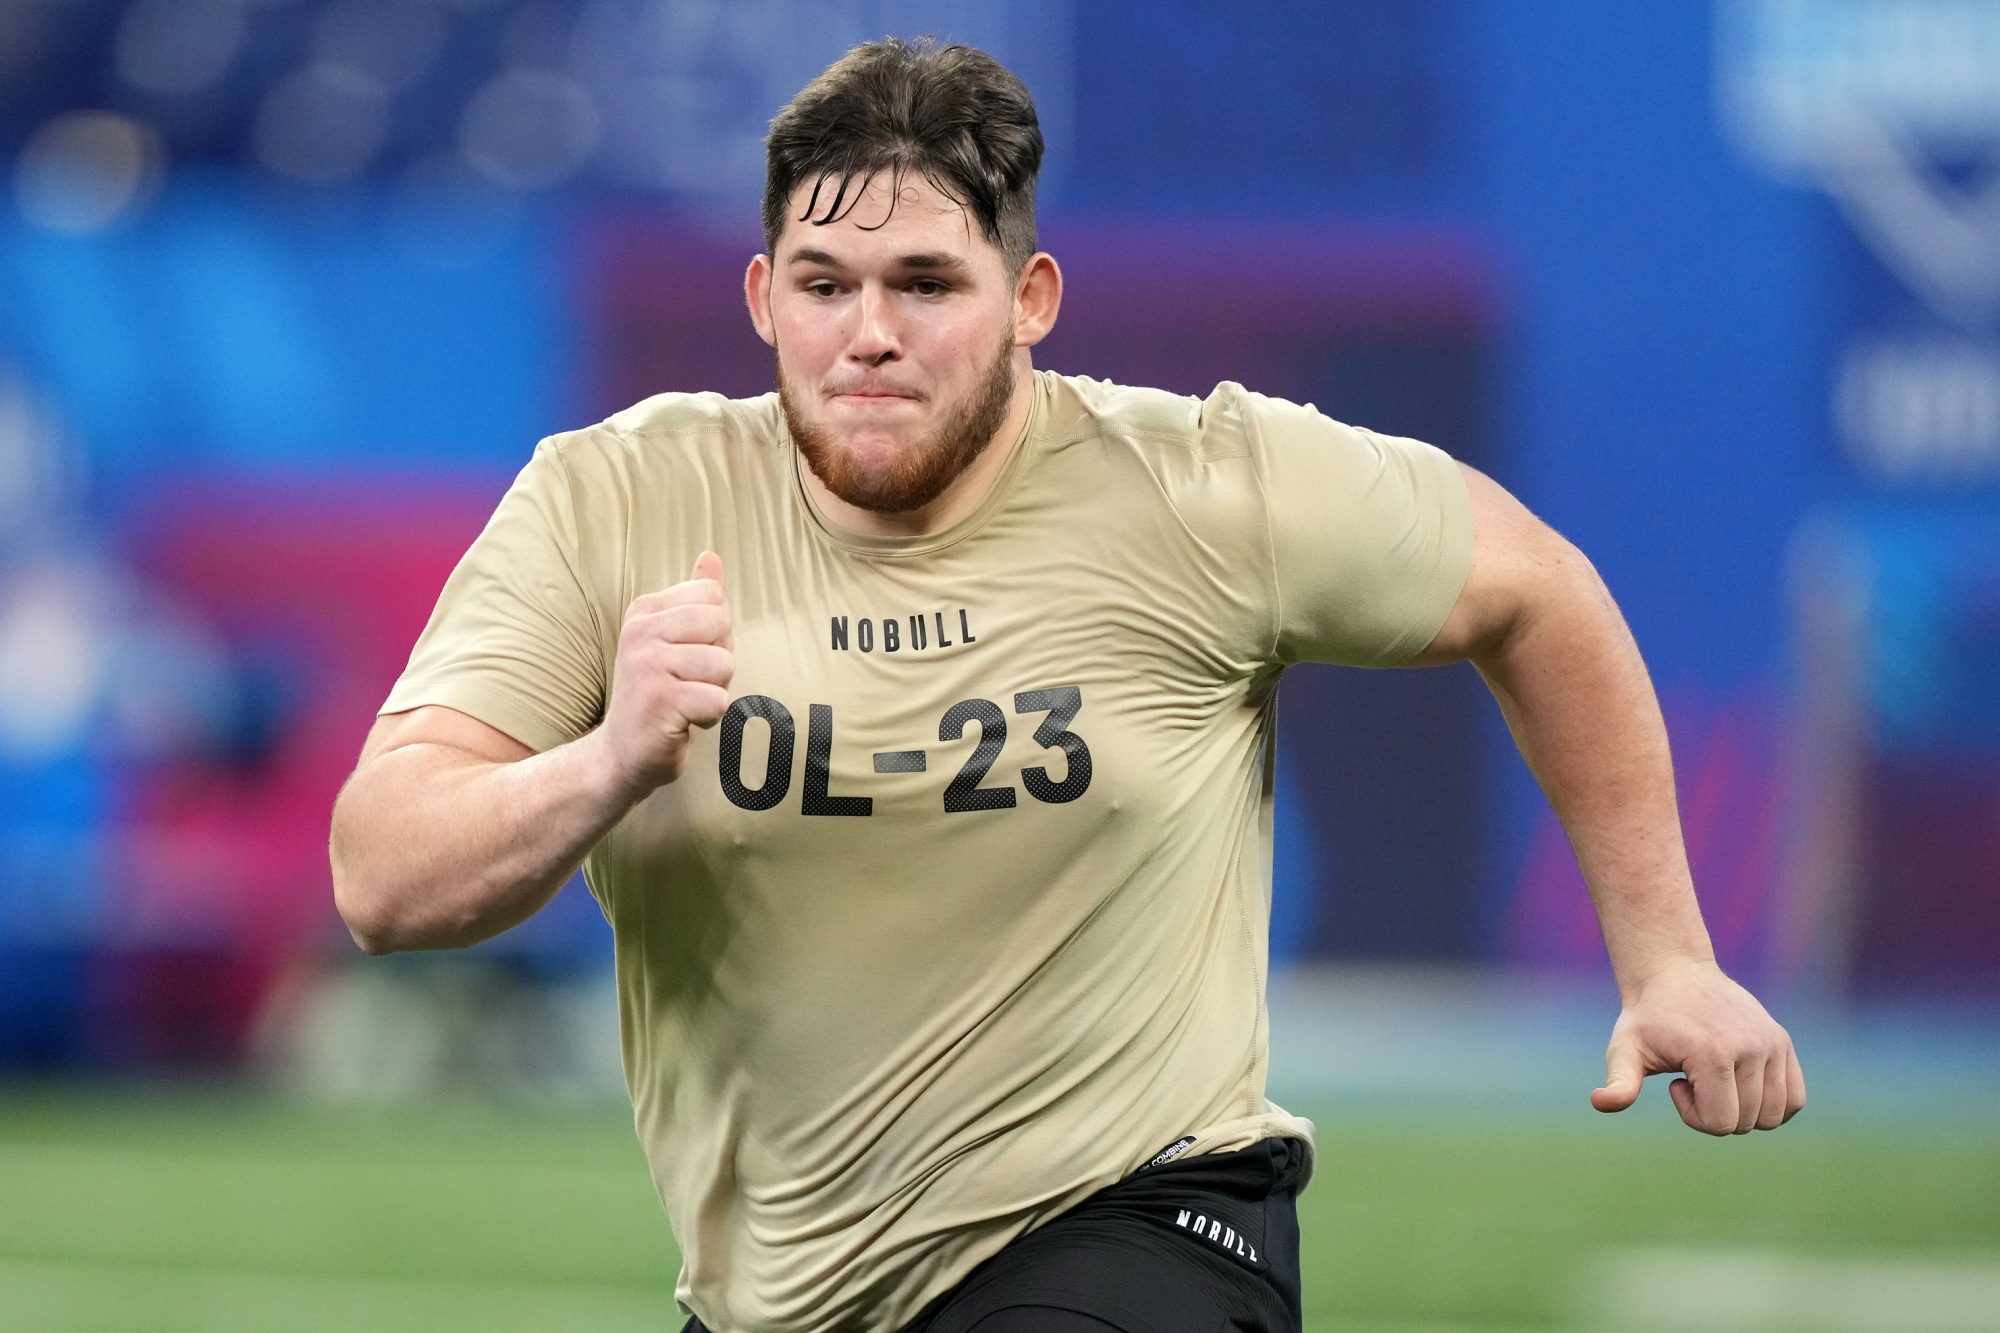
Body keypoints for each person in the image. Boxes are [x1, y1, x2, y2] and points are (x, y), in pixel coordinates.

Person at [329, 36, 1806, 1333]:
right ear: (763, 295)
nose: (871, 335)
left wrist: (1667, 955)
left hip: (1143, 1219)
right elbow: (381, 874)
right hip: (776, 1293)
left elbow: (1534, 589)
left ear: (1031, 295)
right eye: (825, 284)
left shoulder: (1200, 487)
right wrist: (605, 762)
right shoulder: (614, 498)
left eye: (926, 284)